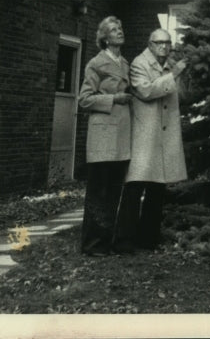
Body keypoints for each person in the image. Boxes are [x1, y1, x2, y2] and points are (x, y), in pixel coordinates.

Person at [116, 28, 188, 250]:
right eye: (159, 43)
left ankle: (148, 240)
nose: (164, 47)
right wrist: (174, 74)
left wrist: (181, 76)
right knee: (135, 187)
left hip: (163, 136)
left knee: (157, 190)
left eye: (167, 43)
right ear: (150, 44)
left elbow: (182, 96)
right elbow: (145, 91)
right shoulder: (139, 64)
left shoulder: (168, 65)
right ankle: (124, 241)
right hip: (145, 136)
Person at [78, 15, 133, 255]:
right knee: (99, 191)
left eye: (120, 27)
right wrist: (113, 98)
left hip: (121, 135)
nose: (119, 31)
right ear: (105, 37)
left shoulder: (126, 64)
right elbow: (84, 99)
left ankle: (107, 241)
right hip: (102, 136)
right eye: (113, 29)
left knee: (113, 190)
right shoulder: (96, 63)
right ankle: (92, 244)